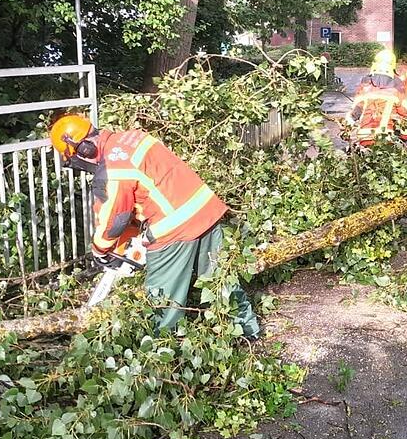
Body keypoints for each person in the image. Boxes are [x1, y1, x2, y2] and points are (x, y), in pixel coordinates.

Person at [49, 114, 260, 335]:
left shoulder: (113, 168)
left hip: (174, 227)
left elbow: (115, 218)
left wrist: (100, 249)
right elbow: (149, 187)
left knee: (162, 304)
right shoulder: (134, 137)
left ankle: (164, 359)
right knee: (220, 282)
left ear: (84, 150)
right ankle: (248, 332)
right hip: (205, 210)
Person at [345, 49, 407, 148]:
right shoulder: (397, 89)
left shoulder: (365, 86)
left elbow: (354, 113)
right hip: (386, 138)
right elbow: (406, 117)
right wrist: (404, 137)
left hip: (364, 136)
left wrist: (346, 131)